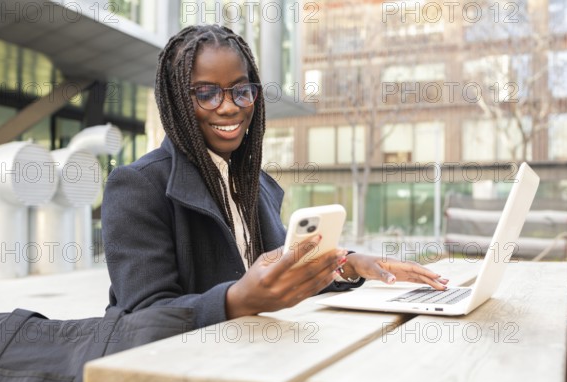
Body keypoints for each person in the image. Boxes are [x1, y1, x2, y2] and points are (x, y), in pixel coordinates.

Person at [101, 25, 448, 329]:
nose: (229, 106)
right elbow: (141, 318)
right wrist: (237, 300)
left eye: (240, 90)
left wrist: (351, 264)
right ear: (176, 101)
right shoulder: (137, 186)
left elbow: (282, 278)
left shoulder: (256, 185)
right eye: (206, 93)